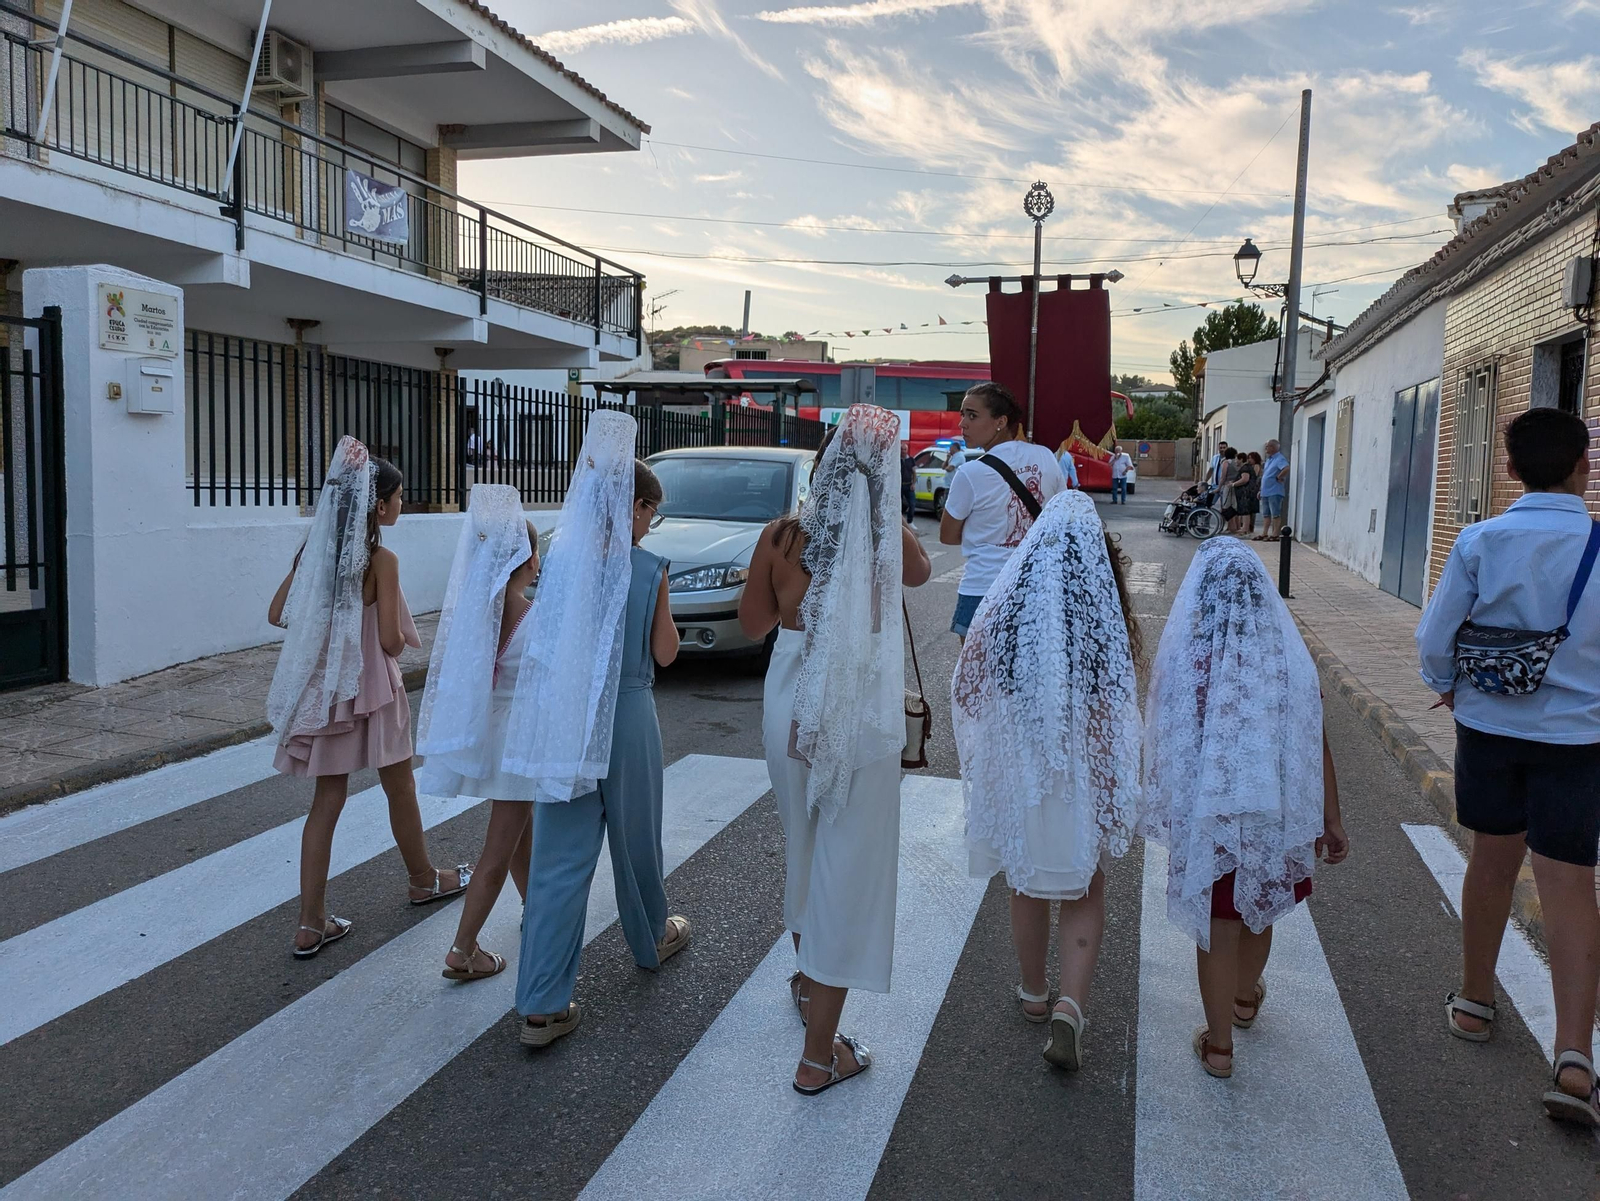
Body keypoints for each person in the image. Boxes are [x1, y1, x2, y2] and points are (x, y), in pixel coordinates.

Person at [739, 404, 932, 1095]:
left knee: (806, 846)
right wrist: (880, 504)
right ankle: (819, 1054)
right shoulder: (889, 539)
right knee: (847, 864)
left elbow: (754, 621)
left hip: (792, 693)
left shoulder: (781, 535)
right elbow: (921, 571)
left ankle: (806, 978)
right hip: (857, 707)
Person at [1415, 407, 1600, 1126]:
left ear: (1511, 469)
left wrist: (1447, 684)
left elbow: (1437, 637)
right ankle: (1575, 1054)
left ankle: (1474, 1001)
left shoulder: (1479, 540)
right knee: (1570, 881)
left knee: (1491, 863)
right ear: (1583, 467)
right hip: (1578, 740)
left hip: (1489, 728)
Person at [513, 412, 689, 1048]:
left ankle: (541, 1003)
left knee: (558, 859)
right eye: (651, 511)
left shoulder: (560, 561)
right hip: (629, 713)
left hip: (567, 716)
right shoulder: (649, 567)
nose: (651, 523)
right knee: (637, 838)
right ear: (636, 507)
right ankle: (651, 939)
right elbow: (665, 653)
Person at [1142, 537, 1348, 1078]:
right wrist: (1331, 818)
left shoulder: (1189, 659)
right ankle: (1244, 999)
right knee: (1258, 911)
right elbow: (1313, 741)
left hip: (1211, 816)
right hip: (1272, 818)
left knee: (1217, 924)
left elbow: (1165, 736)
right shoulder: (1288, 661)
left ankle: (1218, 1046)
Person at [952, 490, 1143, 1071]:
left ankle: (1033, 992)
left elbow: (968, 691)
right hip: (1081, 779)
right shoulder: (1102, 620)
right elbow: (1117, 717)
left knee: (1025, 883)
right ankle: (1070, 1006)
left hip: (1026, 777)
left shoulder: (1006, 612)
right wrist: (1115, 786)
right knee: (1087, 889)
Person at [266, 436, 469, 958]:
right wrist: (401, 631)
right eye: (399, 497)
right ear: (379, 505)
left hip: (328, 692)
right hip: (374, 690)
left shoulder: (315, 553)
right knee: (399, 786)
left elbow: (277, 614)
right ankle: (423, 879)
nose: (402, 504)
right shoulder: (382, 560)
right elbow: (388, 642)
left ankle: (310, 923)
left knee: (327, 800)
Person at [413, 484, 542, 982]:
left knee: (518, 830)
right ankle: (463, 950)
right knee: (498, 848)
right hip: (518, 740)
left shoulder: (477, 614)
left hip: (491, 733)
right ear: (527, 560)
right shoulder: (532, 615)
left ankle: (536, 908)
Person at [940, 382, 1066, 638]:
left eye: (972, 415)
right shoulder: (1045, 456)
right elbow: (1060, 515)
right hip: (1038, 585)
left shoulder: (970, 472)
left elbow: (947, 535)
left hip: (984, 587)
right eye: (962, 414)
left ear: (1000, 421)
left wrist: (983, 532)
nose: (962, 424)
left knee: (977, 676)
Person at [1257, 440, 1289, 541]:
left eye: (1267, 447)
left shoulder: (1279, 458)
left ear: (1273, 447)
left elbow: (1286, 468)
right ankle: (1264, 533)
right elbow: (1265, 475)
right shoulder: (1269, 460)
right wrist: (1260, 490)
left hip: (1275, 490)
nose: (1266, 449)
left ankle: (1275, 534)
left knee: (1275, 513)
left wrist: (1279, 477)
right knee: (1266, 514)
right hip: (1265, 491)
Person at [900, 442, 917, 523]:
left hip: (908, 485)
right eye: (902, 449)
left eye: (905, 449)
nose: (903, 451)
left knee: (912, 504)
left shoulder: (911, 460)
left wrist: (913, 483)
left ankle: (910, 521)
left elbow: (914, 472)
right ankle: (900, 522)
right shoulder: (897, 460)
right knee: (899, 505)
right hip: (899, 486)